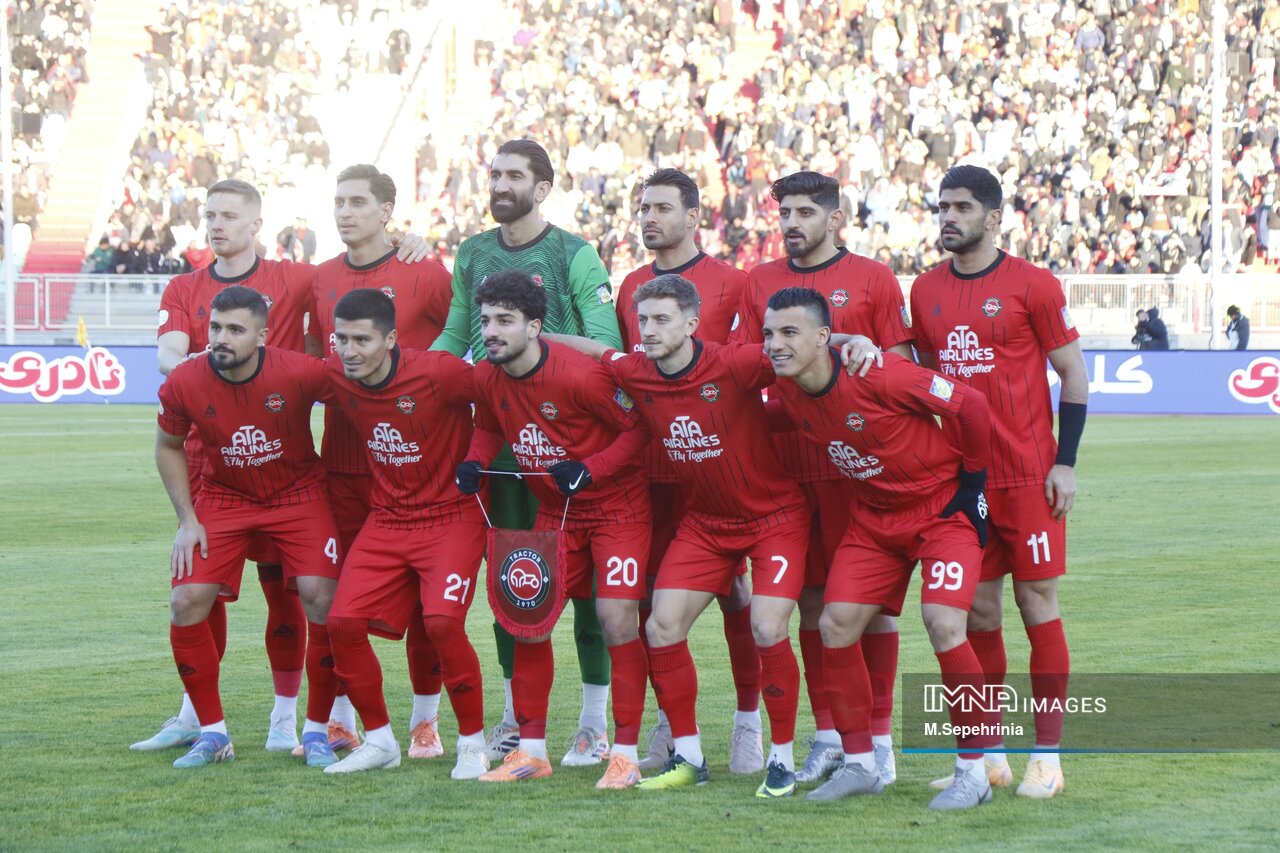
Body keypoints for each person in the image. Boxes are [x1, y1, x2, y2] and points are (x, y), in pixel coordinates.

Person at [136, 178, 431, 755]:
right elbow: (169, 353)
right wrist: (201, 366)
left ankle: (290, 719)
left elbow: (359, 273)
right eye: (209, 214)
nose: (216, 224)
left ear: (256, 224)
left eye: (228, 215)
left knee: (291, 594)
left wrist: (403, 242)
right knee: (199, 592)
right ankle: (198, 718)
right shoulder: (184, 288)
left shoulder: (298, 279)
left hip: (287, 471)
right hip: (211, 461)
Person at [546, 274, 851, 800]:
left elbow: (801, 345)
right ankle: (689, 756)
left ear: (691, 324)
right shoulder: (636, 369)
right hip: (707, 524)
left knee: (766, 626)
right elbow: (596, 351)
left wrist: (856, 342)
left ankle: (780, 759)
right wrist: (533, 337)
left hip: (774, 519)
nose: (648, 330)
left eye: (662, 320)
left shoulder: (735, 362)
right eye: (643, 320)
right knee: (661, 626)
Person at [763, 287, 996, 810]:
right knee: (836, 624)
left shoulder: (879, 372)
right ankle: (862, 766)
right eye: (769, 333)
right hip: (874, 519)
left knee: (944, 624)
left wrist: (974, 484)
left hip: (941, 510)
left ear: (823, 338)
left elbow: (971, 405)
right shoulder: (786, 383)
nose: (775, 344)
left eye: (789, 332)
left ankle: (973, 772)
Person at [431, 139, 622, 767]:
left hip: (572, 453)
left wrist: (530, 351)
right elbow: (456, 333)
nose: (500, 184)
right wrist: (413, 377)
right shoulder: (472, 252)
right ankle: (516, 720)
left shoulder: (574, 253)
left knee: (591, 596)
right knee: (514, 588)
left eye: (514, 175)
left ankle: (593, 723)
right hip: (504, 456)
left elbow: (605, 342)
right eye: (495, 174)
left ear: (542, 189)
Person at [909, 165, 1088, 800]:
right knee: (979, 612)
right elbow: (924, 383)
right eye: (942, 207)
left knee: (1037, 605)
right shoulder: (924, 290)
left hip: (1028, 477)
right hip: (963, 483)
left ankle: (1048, 757)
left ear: (993, 217)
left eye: (961, 207)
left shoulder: (1033, 285)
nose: (948, 217)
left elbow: (1072, 373)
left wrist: (1065, 461)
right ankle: (990, 756)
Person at [731, 171, 915, 787]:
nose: (791, 223)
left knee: (871, 608)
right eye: (785, 212)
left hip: (857, 471)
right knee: (810, 601)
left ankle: (880, 742)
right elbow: (748, 366)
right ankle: (831, 736)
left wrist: (865, 350)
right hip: (788, 468)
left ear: (835, 218)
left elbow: (902, 366)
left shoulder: (874, 279)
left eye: (805, 212)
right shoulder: (758, 282)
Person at [456, 270, 652, 788]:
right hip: (556, 513)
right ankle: (532, 751)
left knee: (616, 621)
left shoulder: (581, 377)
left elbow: (639, 430)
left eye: (504, 321)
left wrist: (592, 469)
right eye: (485, 321)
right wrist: (475, 461)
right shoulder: (486, 374)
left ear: (534, 326)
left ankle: (624, 753)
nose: (491, 331)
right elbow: (487, 426)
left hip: (617, 510)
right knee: (529, 617)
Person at [155, 285, 341, 768]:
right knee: (186, 600)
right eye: (216, 327)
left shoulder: (299, 370)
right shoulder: (184, 380)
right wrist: (187, 520)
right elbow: (168, 445)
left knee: (321, 599)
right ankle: (213, 734)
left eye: (235, 330)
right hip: (224, 497)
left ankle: (316, 731)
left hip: (299, 494)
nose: (221, 338)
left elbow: (361, 391)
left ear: (262, 336)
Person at [615, 167, 762, 774]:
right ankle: (669, 722)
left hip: (715, 470)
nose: (649, 218)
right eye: (644, 208)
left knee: (736, 595)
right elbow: (625, 372)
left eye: (662, 208)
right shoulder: (631, 286)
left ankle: (748, 722)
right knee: (652, 602)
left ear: (694, 217)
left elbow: (748, 373)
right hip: (650, 469)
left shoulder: (734, 284)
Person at [305, 164, 454, 760]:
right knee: (334, 600)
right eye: (339, 202)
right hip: (343, 465)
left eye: (358, 202)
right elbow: (313, 361)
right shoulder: (319, 278)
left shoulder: (426, 272)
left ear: (387, 211)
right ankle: (340, 718)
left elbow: (465, 344)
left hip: (418, 468)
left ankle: (425, 722)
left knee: (424, 607)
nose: (345, 212)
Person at [321, 289, 488, 777]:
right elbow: (280, 374)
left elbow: (500, 397)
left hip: (452, 516)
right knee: (341, 624)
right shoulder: (337, 373)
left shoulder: (439, 372)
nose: (349, 351)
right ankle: (380, 741)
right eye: (341, 339)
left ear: (391, 339)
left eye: (362, 340)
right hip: (388, 518)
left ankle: (473, 745)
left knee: (441, 624)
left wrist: (477, 458)